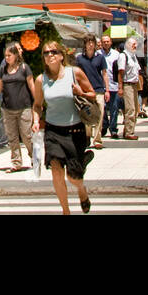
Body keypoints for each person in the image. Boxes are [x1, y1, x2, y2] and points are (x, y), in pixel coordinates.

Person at [33, 41, 98, 214]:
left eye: (53, 52)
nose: (50, 55)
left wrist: (80, 93)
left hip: (75, 130)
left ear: (62, 56)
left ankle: (81, 190)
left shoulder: (74, 73)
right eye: (46, 53)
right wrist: (35, 120)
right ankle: (65, 211)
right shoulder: (41, 80)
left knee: (73, 177)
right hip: (53, 131)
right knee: (56, 170)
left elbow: (92, 94)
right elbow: (37, 105)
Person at [0, 41, 34, 170]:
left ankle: (34, 156)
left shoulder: (24, 68)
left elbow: (32, 86)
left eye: (9, 55)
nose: (6, 58)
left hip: (24, 107)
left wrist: (37, 103)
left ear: (15, 55)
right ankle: (16, 163)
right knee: (12, 137)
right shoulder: (3, 69)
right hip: (8, 108)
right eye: (6, 55)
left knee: (26, 135)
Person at [73, 34, 108, 149]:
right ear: (85, 44)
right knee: (86, 115)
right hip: (85, 91)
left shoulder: (100, 57)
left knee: (100, 115)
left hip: (98, 90)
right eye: (88, 42)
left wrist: (107, 89)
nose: (91, 44)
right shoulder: (79, 58)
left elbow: (104, 74)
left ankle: (97, 139)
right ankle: (87, 137)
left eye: (92, 42)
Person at [119, 40, 141, 139]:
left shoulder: (133, 56)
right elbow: (121, 72)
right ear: (127, 45)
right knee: (130, 109)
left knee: (135, 109)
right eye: (133, 44)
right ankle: (129, 132)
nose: (135, 46)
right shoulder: (123, 56)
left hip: (134, 85)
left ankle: (128, 130)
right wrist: (120, 87)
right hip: (127, 85)